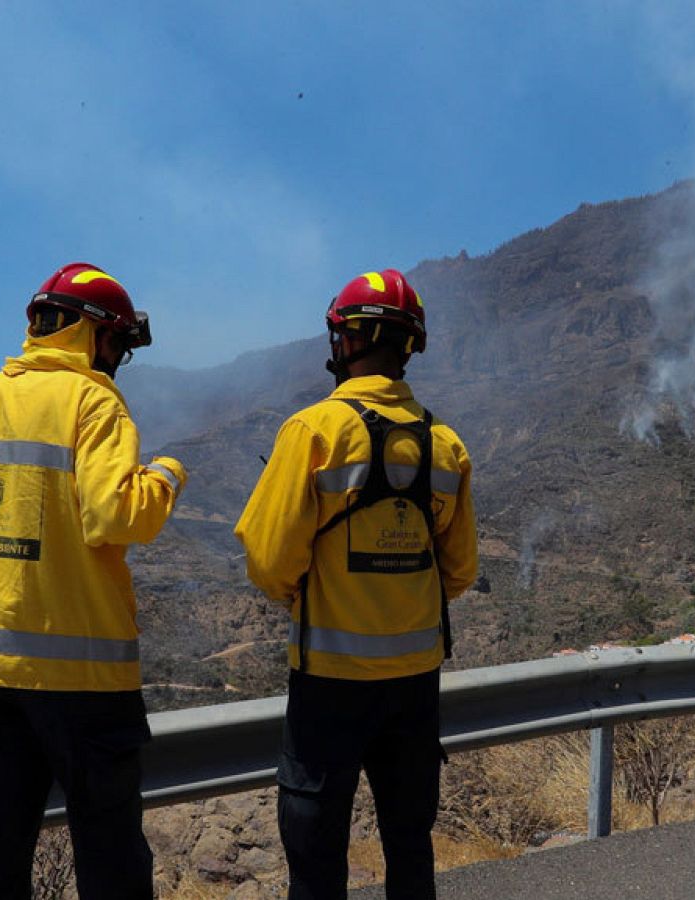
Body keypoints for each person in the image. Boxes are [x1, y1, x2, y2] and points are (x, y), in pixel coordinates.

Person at [0, 262, 187, 900]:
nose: (117, 360)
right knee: (110, 859)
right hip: (84, 676)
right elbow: (117, 516)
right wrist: (166, 476)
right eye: (118, 345)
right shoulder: (93, 401)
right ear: (93, 334)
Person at [235, 268, 478, 899]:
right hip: (416, 685)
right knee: (409, 844)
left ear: (348, 340)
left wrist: (308, 593)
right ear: (408, 346)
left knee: (317, 859)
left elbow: (266, 556)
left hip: (329, 685)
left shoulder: (313, 431)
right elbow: (460, 571)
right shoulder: (446, 447)